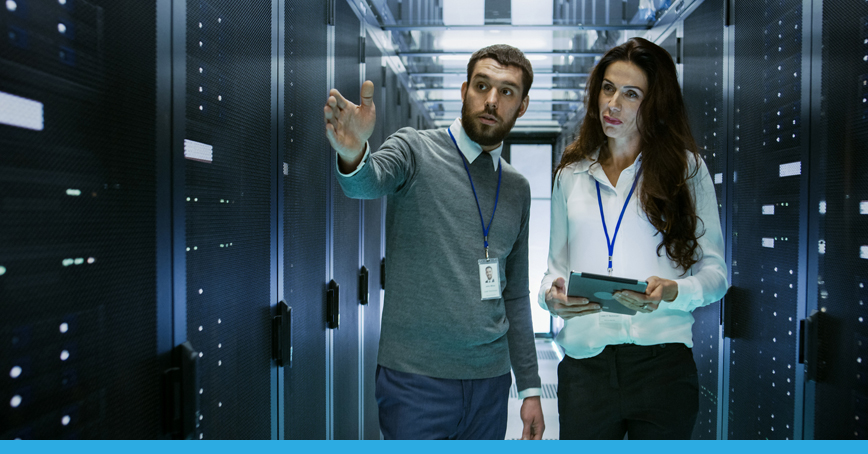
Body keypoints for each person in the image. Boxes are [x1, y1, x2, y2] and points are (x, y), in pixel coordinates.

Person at [325, 44, 544, 440]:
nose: (491, 100)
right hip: (415, 382)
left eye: (507, 92)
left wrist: (529, 388)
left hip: (491, 383)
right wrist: (353, 151)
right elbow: (368, 181)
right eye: (482, 85)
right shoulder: (415, 149)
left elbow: (514, 295)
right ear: (464, 90)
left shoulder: (517, 188)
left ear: (522, 106)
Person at [539, 37, 728, 440]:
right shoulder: (571, 174)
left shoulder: (687, 170)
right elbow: (554, 269)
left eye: (630, 94)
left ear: (654, 103)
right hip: (585, 367)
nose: (613, 104)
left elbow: (716, 274)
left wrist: (676, 290)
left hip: (662, 368)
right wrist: (551, 297)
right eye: (608, 88)